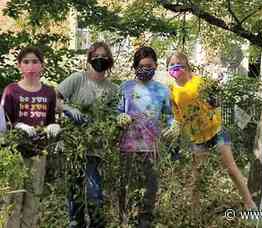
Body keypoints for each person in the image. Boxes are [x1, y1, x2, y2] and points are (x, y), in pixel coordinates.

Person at [166, 52, 256, 214]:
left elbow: (216, 100)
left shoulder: (200, 81)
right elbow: (178, 116)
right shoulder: (172, 91)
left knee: (231, 168)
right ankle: (194, 213)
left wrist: (214, 98)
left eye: (178, 63)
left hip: (216, 129)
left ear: (186, 65)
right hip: (197, 137)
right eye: (171, 64)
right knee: (198, 174)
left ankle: (250, 205)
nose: (175, 67)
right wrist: (176, 129)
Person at [57, 41, 118, 228]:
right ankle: (75, 222)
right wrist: (67, 108)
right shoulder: (78, 79)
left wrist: (111, 126)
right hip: (74, 145)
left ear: (110, 61)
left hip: (96, 147)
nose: (100, 60)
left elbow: (113, 116)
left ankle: (96, 223)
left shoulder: (112, 89)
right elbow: (56, 98)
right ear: (90, 59)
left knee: (94, 191)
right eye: (96, 56)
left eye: (104, 57)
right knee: (74, 190)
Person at [116, 46, 179, 228]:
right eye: (142, 66)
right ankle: (125, 220)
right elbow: (117, 110)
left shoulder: (162, 90)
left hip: (152, 147)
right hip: (127, 146)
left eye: (149, 65)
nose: (146, 69)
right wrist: (119, 117)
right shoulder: (125, 87)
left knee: (150, 187)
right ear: (135, 67)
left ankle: (145, 221)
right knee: (126, 186)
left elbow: (168, 115)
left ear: (156, 66)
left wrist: (173, 126)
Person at [1, 46, 60, 228]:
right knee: (13, 199)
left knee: (33, 200)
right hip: (15, 154)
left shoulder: (49, 92)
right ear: (19, 65)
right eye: (26, 62)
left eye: (35, 61)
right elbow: (4, 124)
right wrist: (19, 125)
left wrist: (54, 125)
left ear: (42, 65)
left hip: (38, 153)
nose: (31, 66)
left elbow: (51, 120)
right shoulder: (11, 90)